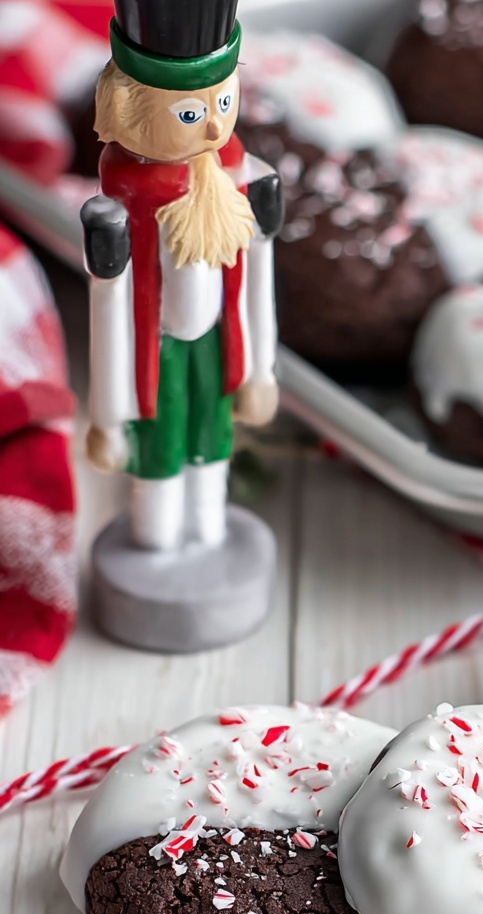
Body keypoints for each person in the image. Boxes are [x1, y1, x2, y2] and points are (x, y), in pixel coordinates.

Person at [82, 0, 282, 550]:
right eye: (190, 114)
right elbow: (108, 311)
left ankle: (207, 531)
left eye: (223, 100)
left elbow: (257, 274)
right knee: (161, 446)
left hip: (218, 340)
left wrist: (261, 370)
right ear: (126, 111)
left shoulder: (239, 177)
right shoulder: (121, 206)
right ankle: (156, 540)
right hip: (156, 350)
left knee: (213, 440)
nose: (216, 123)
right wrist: (106, 418)